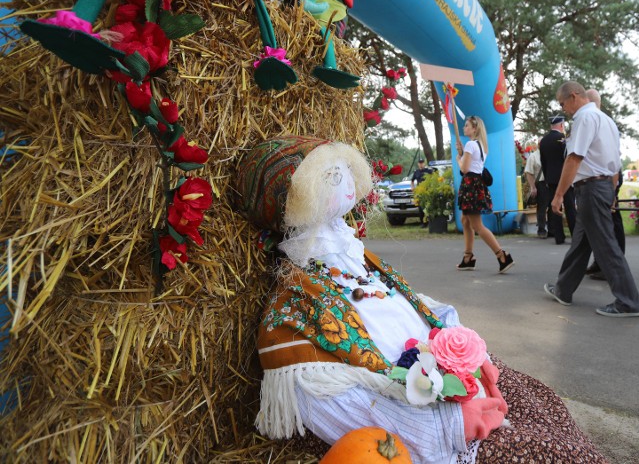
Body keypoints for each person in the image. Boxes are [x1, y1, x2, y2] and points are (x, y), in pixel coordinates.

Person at [238, 136, 605, 463]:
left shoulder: (355, 258)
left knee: (540, 403)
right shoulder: (293, 307)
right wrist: (445, 425)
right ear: (289, 200)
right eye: (330, 177)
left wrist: (466, 347)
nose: (347, 183)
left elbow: (412, 303)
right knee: (541, 450)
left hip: (444, 379)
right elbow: (321, 398)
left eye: (345, 170)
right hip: (410, 419)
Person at [543, 81, 639, 317]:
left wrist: (558, 196)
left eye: (563, 103)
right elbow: (615, 162)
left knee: (606, 246)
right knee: (581, 243)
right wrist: (612, 192)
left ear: (574, 96)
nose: (564, 109)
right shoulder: (606, 120)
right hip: (602, 186)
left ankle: (629, 302)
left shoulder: (585, 119)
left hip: (591, 188)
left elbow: (574, 159)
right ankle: (563, 289)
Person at [455, 116, 514, 273]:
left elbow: (465, 169)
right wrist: (462, 153)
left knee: (477, 225)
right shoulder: (480, 145)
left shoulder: (470, 144)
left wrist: (458, 158)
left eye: (466, 125)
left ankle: (502, 255)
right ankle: (468, 258)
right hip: (476, 185)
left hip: (470, 186)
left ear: (475, 129)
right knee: (465, 221)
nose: (463, 128)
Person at [583, 89, 626, 280]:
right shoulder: (605, 120)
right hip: (608, 176)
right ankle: (600, 263)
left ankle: (614, 267)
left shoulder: (596, 120)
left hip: (606, 177)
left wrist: (613, 188)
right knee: (597, 224)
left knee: (611, 223)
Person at [539, 115, 575, 244]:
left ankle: (558, 237)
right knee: (570, 207)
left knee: (555, 207)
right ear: (561, 125)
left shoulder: (543, 141)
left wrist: (547, 178)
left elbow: (543, 162)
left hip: (551, 179)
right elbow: (568, 159)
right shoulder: (563, 139)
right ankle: (575, 235)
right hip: (565, 178)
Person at [523, 148, 548, 238]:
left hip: (552, 182)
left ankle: (553, 229)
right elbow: (529, 172)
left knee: (553, 207)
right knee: (542, 207)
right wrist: (533, 187)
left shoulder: (551, 153)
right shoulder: (533, 156)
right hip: (541, 183)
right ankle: (541, 230)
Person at [411, 158, 434, 227]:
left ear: (424, 163)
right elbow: (412, 180)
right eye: (420, 163)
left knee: (428, 207)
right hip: (419, 192)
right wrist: (412, 187)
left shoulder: (428, 171)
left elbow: (434, 177)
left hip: (427, 191)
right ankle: (423, 223)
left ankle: (430, 222)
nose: (421, 164)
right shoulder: (416, 172)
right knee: (421, 208)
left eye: (422, 163)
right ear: (418, 164)